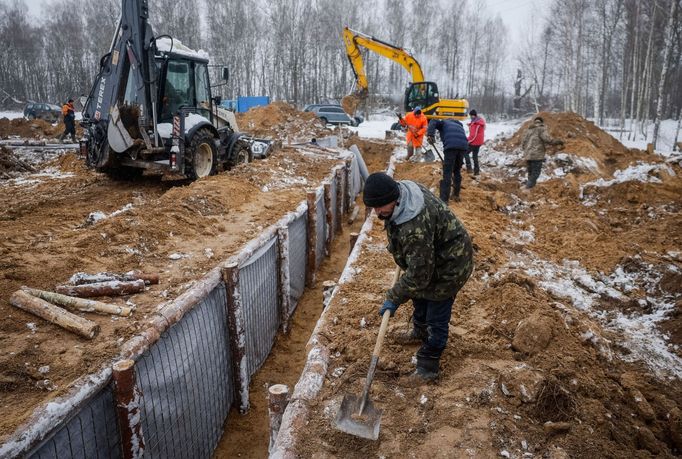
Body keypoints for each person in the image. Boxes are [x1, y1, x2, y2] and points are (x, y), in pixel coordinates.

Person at [363, 172, 473, 383]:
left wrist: (393, 297)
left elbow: (419, 276)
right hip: (432, 256)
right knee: (420, 295)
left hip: (451, 265)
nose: (377, 213)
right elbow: (419, 272)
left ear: (394, 199)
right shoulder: (403, 194)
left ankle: (428, 366)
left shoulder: (415, 227)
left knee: (436, 313)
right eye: (373, 207)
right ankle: (419, 331)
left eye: (380, 207)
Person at [426, 118, 469, 202]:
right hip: (463, 146)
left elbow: (433, 121)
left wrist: (430, 134)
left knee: (447, 172)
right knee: (457, 170)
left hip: (451, 146)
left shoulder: (443, 123)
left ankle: (444, 199)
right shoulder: (459, 125)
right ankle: (456, 195)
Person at [521, 116, 564, 188]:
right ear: (541, 122)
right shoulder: (541, 129)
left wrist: (527, 151)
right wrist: (558, 141)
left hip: (528, 155)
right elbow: (548, 139)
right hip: (536, 155)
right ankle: (527, 188)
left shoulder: (528, 130)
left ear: (534, 122)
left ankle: (531, 188)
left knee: (531, 173)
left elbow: (523, 143)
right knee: (535, 173)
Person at [465, 109, 486, 175]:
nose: (470, 117)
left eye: (471, 116)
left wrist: (467, 140)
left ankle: (469, 168)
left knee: (465, 152)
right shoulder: (478, 122)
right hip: (479, 142)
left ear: (473, 115)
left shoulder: (476, 124)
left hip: (475, 142)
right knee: (475, 156)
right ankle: (476, 172)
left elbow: (473, 135)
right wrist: (470, 124)